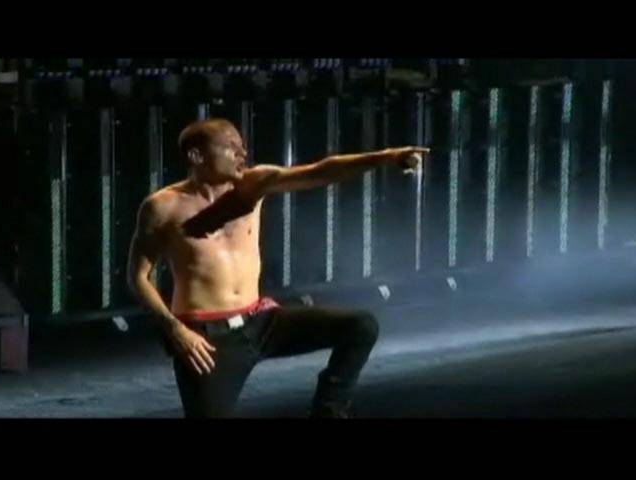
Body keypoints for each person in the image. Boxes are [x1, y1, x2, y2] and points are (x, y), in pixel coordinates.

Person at [127, 118, 429, 418]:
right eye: (231, 147)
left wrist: (387, 156)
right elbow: (138, 277)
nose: (242, 154)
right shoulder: (162, 207)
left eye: (242, 147)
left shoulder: (252, 184)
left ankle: (329, 412)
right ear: (197, 156)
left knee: (361, 326)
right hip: (208, 339)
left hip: (261, 321)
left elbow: (321, 171)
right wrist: (175, 330)